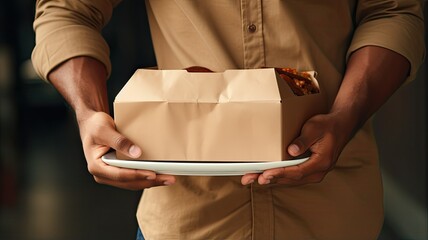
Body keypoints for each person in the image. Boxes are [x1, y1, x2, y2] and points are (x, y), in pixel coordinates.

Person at [32, 0, 425, 239]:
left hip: (334, 218)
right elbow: (66, 11)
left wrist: (344, 117)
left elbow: (392, 12)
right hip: (189, 221)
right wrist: (90, 114)